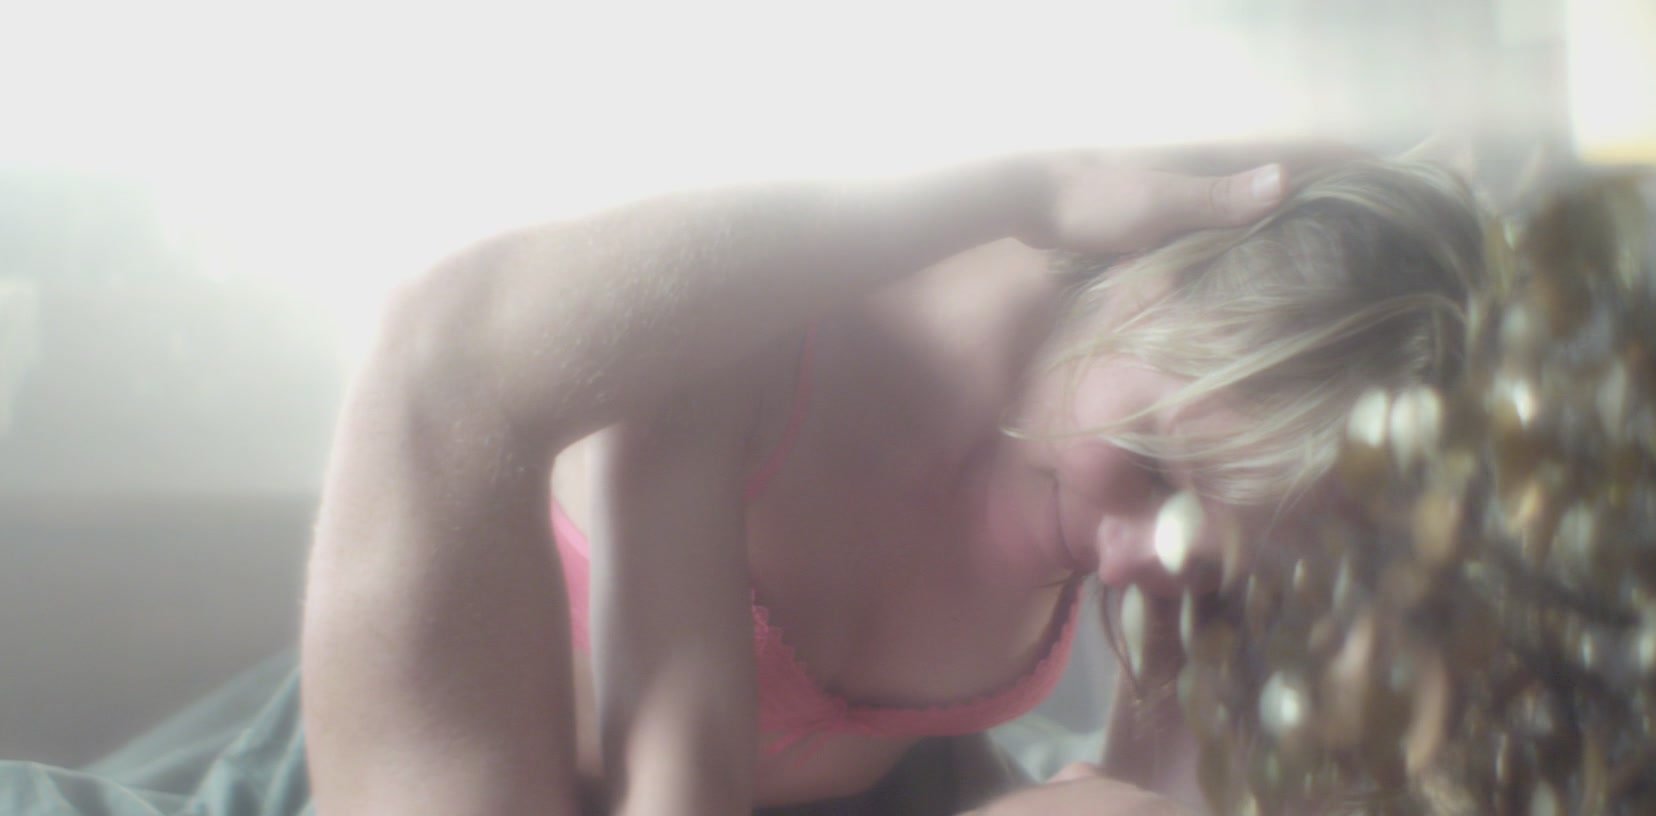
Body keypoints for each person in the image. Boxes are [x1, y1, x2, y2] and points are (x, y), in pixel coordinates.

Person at [300, 146, 1487, 815]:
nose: (1138, 564)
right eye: (1158, 471)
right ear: (1148, 280)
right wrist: (1022, 189)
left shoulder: (1130, 528)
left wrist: (1126, 773)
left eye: (1219, 554)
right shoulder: (784, 335)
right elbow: (442, 360)